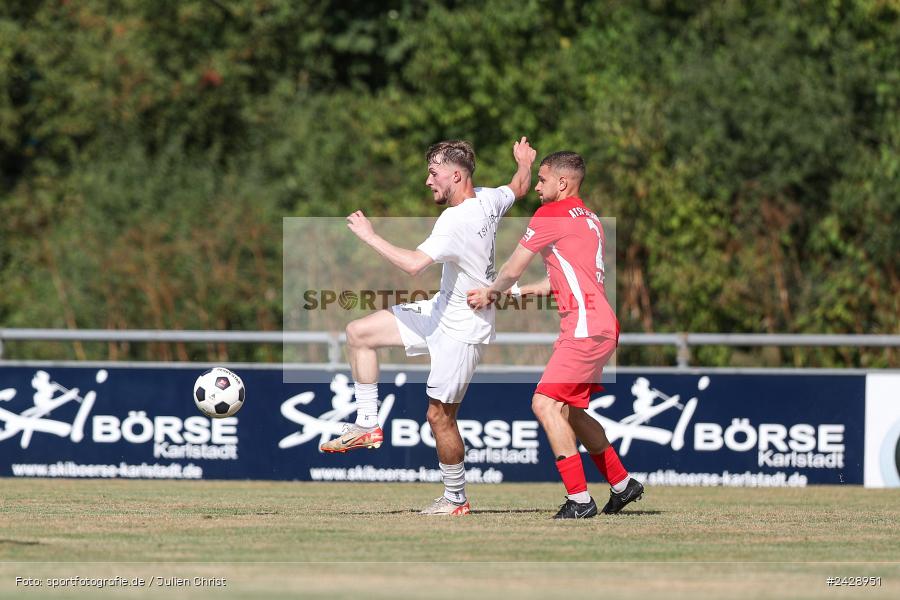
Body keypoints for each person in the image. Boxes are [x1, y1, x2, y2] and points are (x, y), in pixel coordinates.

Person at [320, 137, 537, 516]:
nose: (428, 181)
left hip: (463, 328)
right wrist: (524, 164)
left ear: (456, 174)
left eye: (433, 173)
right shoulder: (487, 197)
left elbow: (413, 265)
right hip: (440, 311)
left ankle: (455, 499)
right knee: (359, 333)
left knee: (439, 417)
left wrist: (370, 236)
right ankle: (368, 423)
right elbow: (518, 188)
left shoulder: (456, 220)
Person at [467, 151, 644, 519]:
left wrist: (491, 292)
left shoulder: (550, 214)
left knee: (544, 404)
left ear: (562, 183)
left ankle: (579, 500)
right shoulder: (590, 219)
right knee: (574, 413)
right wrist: (514, 296)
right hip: (601, 326)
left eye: (543, 180)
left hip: (583, 328)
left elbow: (514, 266)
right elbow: (561, 279)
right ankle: (622, 483)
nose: (537, 186)